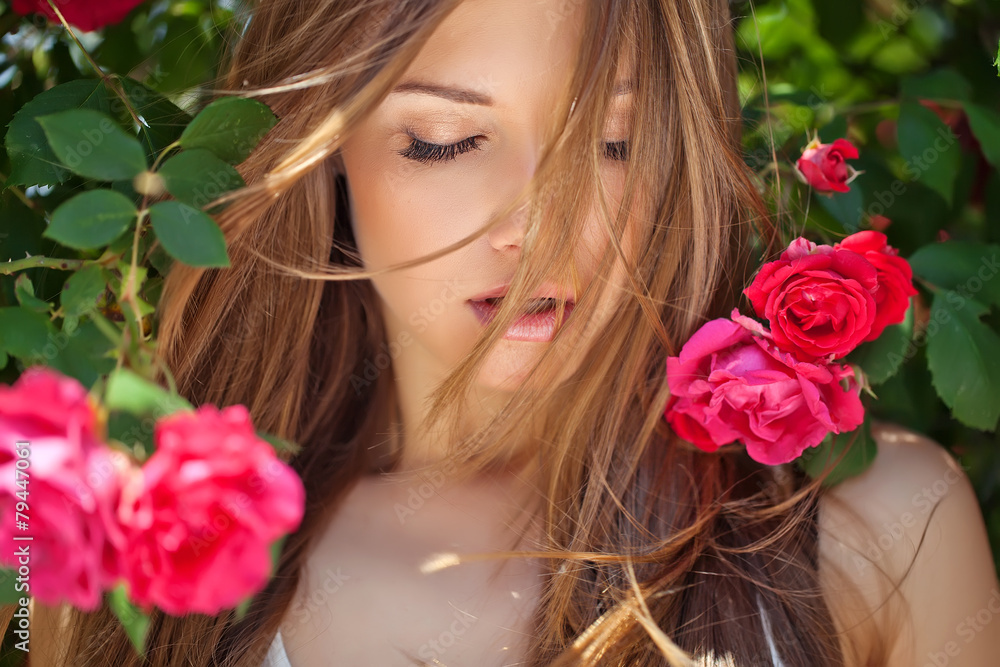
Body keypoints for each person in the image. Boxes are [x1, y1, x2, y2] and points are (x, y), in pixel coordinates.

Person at [49, 0, 1000, 665]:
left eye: (615, 142)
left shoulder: (881, 526)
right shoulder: (93, 535)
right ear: (329, 153)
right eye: (446, 142)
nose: (538, 223)